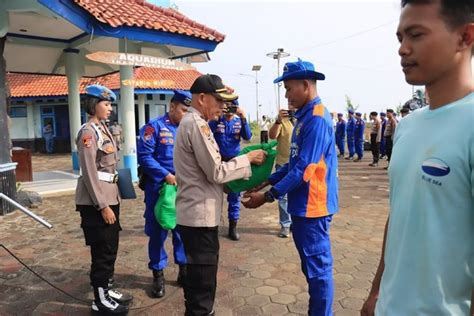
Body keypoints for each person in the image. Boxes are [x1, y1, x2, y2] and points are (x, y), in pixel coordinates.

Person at [361, 0, 474, 315]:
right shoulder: (408, 126)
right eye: (400, 38)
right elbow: (399, 214)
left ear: (465, 37)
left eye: (416, 35)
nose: (402, 49)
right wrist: (376, 292)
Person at [243, 59, 338, 316]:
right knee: (311, 268)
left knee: (318, 271)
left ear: (305, 85)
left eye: (288, 88)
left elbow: (304, 169)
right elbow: (292, 163)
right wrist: (268, 180)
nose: (286, 95)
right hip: (302, 205)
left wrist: (268, 196)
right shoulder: (304, 118)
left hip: (313, 207)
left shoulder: (317, 119)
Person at [174, 74, 267, 316]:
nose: (223, 106)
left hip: (198, 213)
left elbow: (204, 174)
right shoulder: (197, 125)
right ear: (202, 98)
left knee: (199, 283)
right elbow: (216, 171)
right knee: (202, 287)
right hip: (198, 217)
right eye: (218, 100)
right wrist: (246, 159)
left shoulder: (194, 123)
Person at [75, 84, 132, 314]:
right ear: (93, 104)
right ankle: (100, 301)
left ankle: (106, 289)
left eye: (110, 104)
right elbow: (89, 172)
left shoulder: (103, 129)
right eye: (106, 104)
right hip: (97, 202)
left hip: (111, 195)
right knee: (102, 251)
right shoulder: (88, 132)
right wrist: (103, 206)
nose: (110, 108)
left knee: (110, 247)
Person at [137, 90, 191, 298]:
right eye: (183, 110)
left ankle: (183, 271)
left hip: (184, 188)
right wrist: (165, 175)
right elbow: (145, 157)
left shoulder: (189, 129)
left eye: (189, 111)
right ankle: (158, 275)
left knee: (182, 230)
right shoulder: (155, 127)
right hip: (159, 189)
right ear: (172, 107)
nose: (186, 114)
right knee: (158, 231)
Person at [209, 98, 252, 241]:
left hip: (234, 162)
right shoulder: (217, 120)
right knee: (214, 196)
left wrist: (243, 117)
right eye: (227, 106)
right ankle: (213, 226)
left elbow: (248, 136)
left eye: (232, 107)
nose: (229, 109)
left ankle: (232, 227)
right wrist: (218, 115)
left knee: (234, 196)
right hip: (218, 161)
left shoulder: (239, 121)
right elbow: (207, 132)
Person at [268, 105, 295, 238]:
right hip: (283, 163)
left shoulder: (304, 120)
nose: (292, 110)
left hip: (298, 165)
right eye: (290, 108)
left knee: (296, 195)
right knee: (282, 197)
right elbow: (272, 135)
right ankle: (285, 224)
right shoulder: (282, 121)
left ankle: (294, 224)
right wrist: (278, 121)